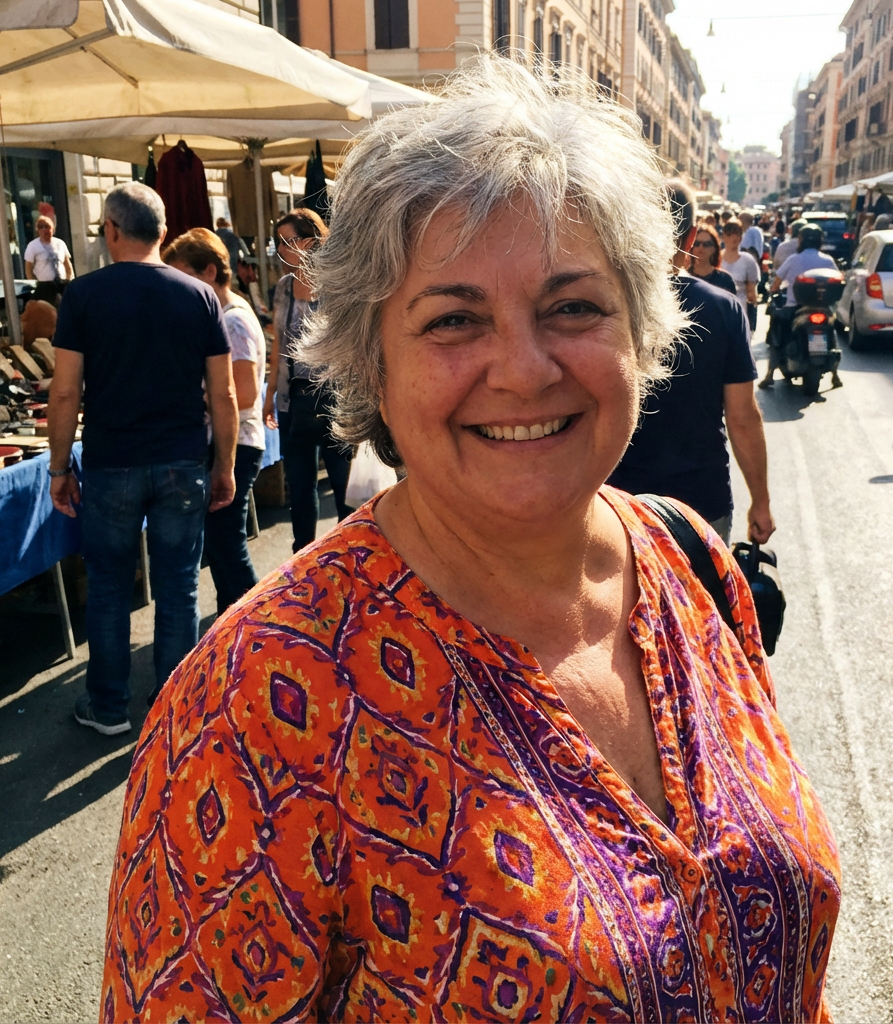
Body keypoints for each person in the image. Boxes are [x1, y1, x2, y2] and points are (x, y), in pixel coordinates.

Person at [100, 57, 840, 1023]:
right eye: (454, 319)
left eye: (573, 307)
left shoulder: (690, 559)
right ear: (372, 363)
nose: (524, 371)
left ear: (640, 330)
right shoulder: (252, 707)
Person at [48, 183, 238, 736]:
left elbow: (65, 391)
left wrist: (58, 468)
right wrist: (224, 464)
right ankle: (172, 707)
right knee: (178, 584)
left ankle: (108, 706)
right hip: (182, 459)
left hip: (112, 460)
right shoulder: (200, 296)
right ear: (162, 231)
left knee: (109, 585)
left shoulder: (84, 295)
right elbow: (223, 392)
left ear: (111, 230)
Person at [609, 179, 775, 547]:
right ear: (691, 236)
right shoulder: (725, 308)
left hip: (616, 505)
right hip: (699, 505)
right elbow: (742, 417)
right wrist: (761, 502)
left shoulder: (603, 304)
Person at [164, 228, 266, 616]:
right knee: (222, 549)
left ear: (209, 272)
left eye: (184, 278)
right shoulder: (222, 315)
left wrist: (191, 395)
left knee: (227, 546)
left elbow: (245, 394)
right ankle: (236, 625)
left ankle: (258, 623)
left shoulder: (233, 321)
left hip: (235, 441)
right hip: (228, 439)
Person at [262, 208, 354, 552]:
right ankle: (304, 556)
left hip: (335, 398)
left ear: (311, 241)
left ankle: (348, 555)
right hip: (292, 399)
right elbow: (279, 345)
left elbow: (352, 344)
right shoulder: (283, 288)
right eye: (278, 243)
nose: (281, 249)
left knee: (343, 486)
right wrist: (270, 397)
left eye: (288, 241)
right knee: (300, 488)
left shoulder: (337, 284)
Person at [762, 224, 840, 389]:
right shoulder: (828, 260)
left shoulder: (793, 259)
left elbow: (777, 282)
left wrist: (773, 290)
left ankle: (770, 374)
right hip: (823, 307)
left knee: (777, 333)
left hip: (794, 308)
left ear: (800, 240)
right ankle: (835, 375)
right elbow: (838, 279)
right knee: (831, 330)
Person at [24, 215, 73, 305]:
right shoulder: (33, 246)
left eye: (47, 226)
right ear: (37, 230)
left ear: (52, 229)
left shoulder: (60, 243)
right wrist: (33, 283)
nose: (44, 229)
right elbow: (28, 267)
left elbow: (67, 263)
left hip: (61, 284)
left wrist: (69, 279)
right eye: (40, 227)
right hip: (44, 286)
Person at [720, 220, 760, 332]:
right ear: (723, 237)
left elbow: (752, 294)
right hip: (718, 310)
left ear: (741, 237)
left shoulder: (748, 260)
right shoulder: (716, 258)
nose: (734, 238)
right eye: (730, 234)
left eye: (737, 234)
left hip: (740, 311)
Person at [685, 223, 737, 295]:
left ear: (714, 248)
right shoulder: (684, 277)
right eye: (696, 243)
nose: (701, 247)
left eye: (707, 244)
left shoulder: (725, 280)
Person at [214, 215, 250, 281]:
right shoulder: (233, 236)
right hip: (233, 268)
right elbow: (245, 251)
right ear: (226, 224)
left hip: (217, 270)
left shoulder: (213, 236)